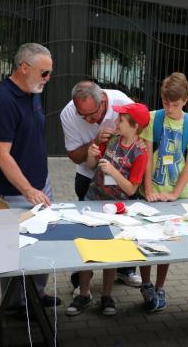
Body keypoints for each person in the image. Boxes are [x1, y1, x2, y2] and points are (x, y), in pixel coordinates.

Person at [0, 43, 60, 314]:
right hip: (17, 190)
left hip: (41, 184)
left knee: (44, 240)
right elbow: (1, 154)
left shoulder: (33, 91)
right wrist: (27, 189)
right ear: (24, 68)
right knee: (15, 249)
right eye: (44, 73)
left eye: (49, 73)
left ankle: (36, 294)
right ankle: (15, 304)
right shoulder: (3, 101)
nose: (48, 79)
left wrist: (41, 182)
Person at [66, 103, 150, 317]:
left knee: (111, 253)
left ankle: (106, 295)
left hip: (116, 208)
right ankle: (83, 293)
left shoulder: (140, 153)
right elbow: (93, 165)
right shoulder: (112, 140)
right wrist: (93, 153)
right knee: (89, 248)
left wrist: (112, 169)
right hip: (94, 201)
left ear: (134, 126)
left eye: (121, 120)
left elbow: (132, 188)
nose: (116, 122)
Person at [60, 81, 141, 288]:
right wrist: (95, 142)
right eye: (82, 115)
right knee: (89, 231)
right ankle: (81, 280)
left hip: (120, 183)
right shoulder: (68, 114)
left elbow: (140, 136)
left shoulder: (123, 103)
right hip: (89, 180)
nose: (87, 119)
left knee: (121, 229)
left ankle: (125, 269)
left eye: (92, 114)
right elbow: (75, 156)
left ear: (103, 102)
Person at [140, 72, 188, 311]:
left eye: (174, 104)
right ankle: (145, 283)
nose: (169, 108)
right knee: (144, 239)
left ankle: (160, 285)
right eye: (165, 102)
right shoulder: (153, 118)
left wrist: (175, 193)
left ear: (185, 100)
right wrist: (147, 189)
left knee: (166, 241)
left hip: (177, 193)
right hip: (151, 191)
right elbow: (146, 157)